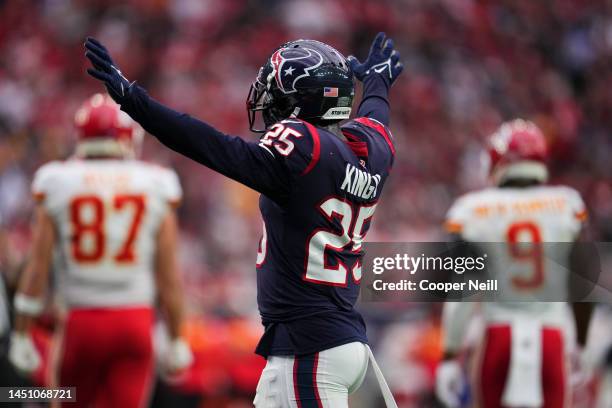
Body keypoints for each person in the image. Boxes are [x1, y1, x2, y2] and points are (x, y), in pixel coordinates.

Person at [84, 32, 403, 407]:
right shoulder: (373, 149)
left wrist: (134, 100)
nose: (270, 103)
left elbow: (214, 148)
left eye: (279, 95)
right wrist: (378, 81)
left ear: (304, 102)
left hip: (310, 350)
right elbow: (374, 113)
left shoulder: (304, 151)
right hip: (335, 343)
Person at [9, 94, 193, 407]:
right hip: (135, 322)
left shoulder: (57, 181)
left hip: (81, 321)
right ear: (129, 139)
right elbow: (168, 275)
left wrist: (22, 330)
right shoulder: (155, 182)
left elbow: (38, 269)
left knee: (66, 400)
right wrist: (177, 336)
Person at [436, 119, 595, 408]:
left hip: (498, 338)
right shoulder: (567, 204)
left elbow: (464, 292)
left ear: (498, 162)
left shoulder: (472, 210)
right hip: (551, 337)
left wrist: (450, 353)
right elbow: (583, 282)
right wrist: (582, 342)